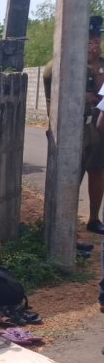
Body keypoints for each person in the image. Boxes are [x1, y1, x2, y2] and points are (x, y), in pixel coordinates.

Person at [45, 15, 104, 235]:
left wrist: (95, 65)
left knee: (97, 172)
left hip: (96, 128)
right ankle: (64, 228)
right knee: (70, 177)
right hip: (70, 131)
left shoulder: (100, 65)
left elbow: (101, 95)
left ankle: (94, 219)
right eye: (89, 37)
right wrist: (83, 96)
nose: (93, 41)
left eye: (97, 37)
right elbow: (59, 96)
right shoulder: (60, 64)